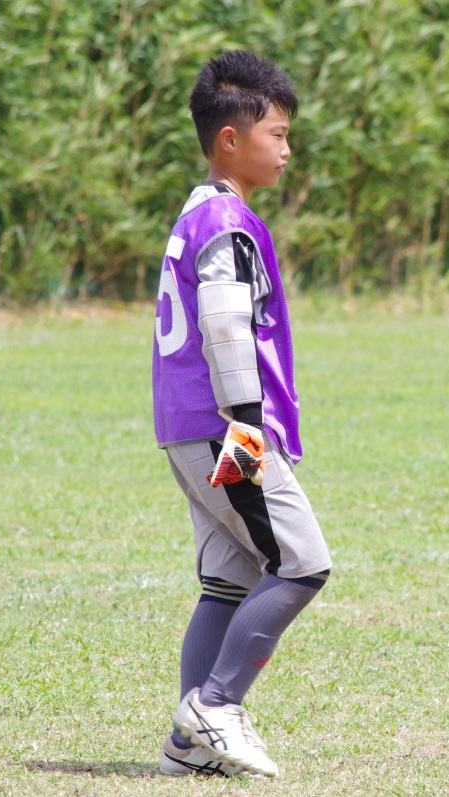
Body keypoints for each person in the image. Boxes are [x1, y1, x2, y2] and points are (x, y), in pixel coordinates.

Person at [150, 50, 331, 779]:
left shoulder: (196, 211)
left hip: (186, 427)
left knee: (230, 578)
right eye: (277, 134)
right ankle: (216, 705)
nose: (287, 149)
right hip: (226, 428)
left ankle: (189, 748)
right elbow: (225, 326)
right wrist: (248, 425)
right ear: (231, 138)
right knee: (302, 563)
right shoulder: (228, 221)